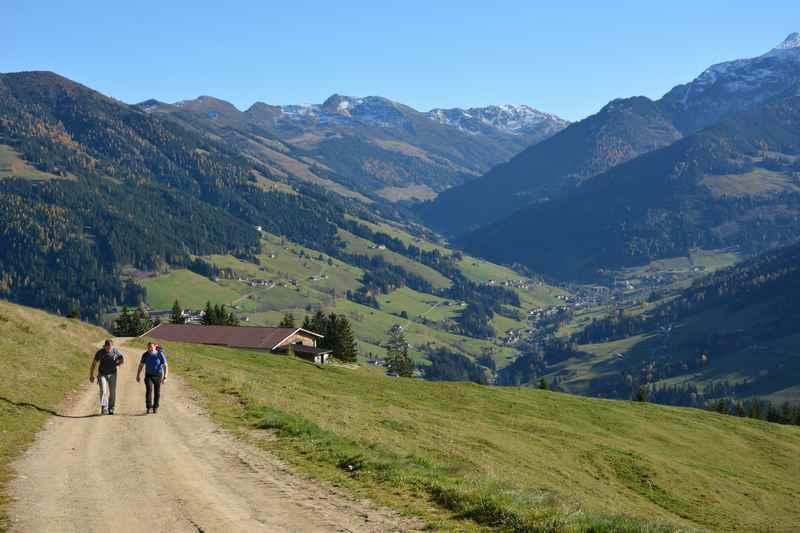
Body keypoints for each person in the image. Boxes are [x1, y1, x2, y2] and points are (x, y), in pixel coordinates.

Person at [90, 339, 125, 415]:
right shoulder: (100, 352)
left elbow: (122, 359)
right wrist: (91, 375)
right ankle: (104, 408)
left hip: (113, 374)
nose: (109, 348)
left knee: (112, 392)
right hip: (102, 374)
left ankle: (111, 408)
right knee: (103, 391)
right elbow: (94, 363)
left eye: (111, 346)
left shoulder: (115, 351)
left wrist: (118, 364)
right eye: (108, 347)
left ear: (112, 346)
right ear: (105, 346)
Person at [137, 342, 168, 414]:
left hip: (158, 375)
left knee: (157, 391)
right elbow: (141, 365)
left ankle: (155, 407)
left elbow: (165, 365)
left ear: (154, 347)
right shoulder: (145, 355)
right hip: (148, 375)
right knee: (149, 390)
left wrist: (165, 376)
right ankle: (149, 407)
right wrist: (138, 375)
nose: (149, 349)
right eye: (148, 347)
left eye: (151, 347)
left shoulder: (159, 354)